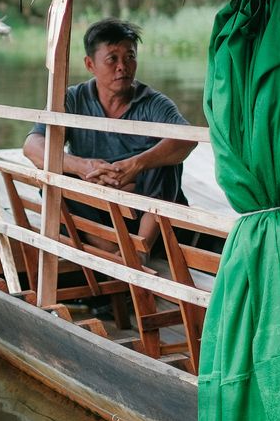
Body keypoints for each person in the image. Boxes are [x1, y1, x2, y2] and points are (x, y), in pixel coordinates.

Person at [23, 18, 196, 250]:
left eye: (130, 57)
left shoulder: (152, 102)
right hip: (93, 212)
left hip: (146, 219)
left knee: (166, 161)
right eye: (112, 59)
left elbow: (187, 138)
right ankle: (114, 252)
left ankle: (140, 251)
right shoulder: (72, 99)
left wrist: (135, 165)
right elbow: (32, 146)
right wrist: (84, 166)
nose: (122, 66)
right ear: (90, 64)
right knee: (53, 175)